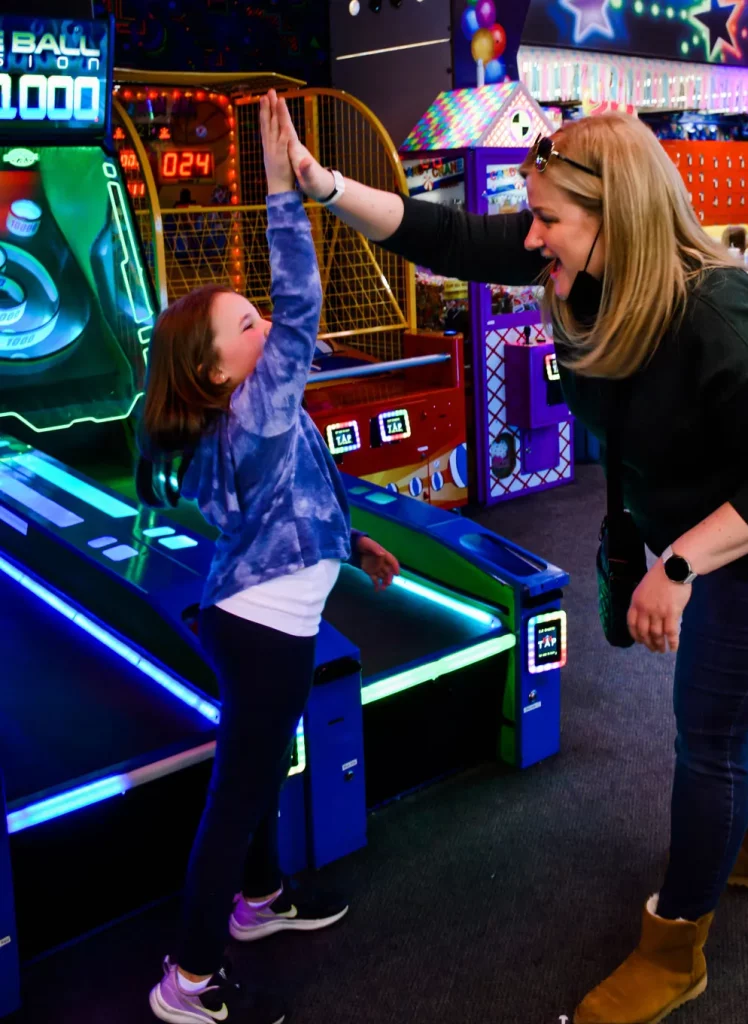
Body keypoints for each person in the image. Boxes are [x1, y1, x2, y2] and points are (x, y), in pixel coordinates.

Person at [286, 114, 748, 1023]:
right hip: (712, 516)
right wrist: (324, 185)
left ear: (614, 216)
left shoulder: (715, 309)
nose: (528, 235)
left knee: (709, 731)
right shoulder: (586, 270)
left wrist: (674, 567)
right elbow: (444, 234)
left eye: (547, 218)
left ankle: (674, 950)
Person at [140, 91, 400, 1024]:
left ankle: (255, 904)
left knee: (254, 770)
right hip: (263, 632)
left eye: (255, 318)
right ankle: (189, 978)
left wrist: (354, 542)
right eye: (244, 328)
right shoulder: (249, 413)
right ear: (217, 373)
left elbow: (299, 503)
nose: (269, 332)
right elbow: (302, 305)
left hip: (261, 616)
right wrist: (287, 186)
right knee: (239, 789)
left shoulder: (257, 424)